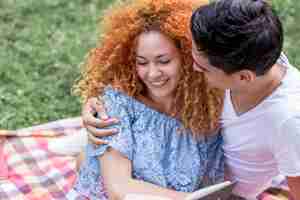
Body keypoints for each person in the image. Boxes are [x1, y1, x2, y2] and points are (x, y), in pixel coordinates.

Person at [83, 0, 300, 199]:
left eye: (204, 68)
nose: (194, 67)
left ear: (244, 77)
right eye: (142, 62)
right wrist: (93, 103)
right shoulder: (245, 51)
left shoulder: (288, 120)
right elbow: (119, 187)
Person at [69, 0, 225, 199]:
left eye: (164, 61)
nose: (152, 74)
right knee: (96, 153)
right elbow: (118, 190)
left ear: (187, 58)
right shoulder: (118, 104)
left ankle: (85, 151)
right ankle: (87, 154)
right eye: (142, 62)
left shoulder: (205, 102)